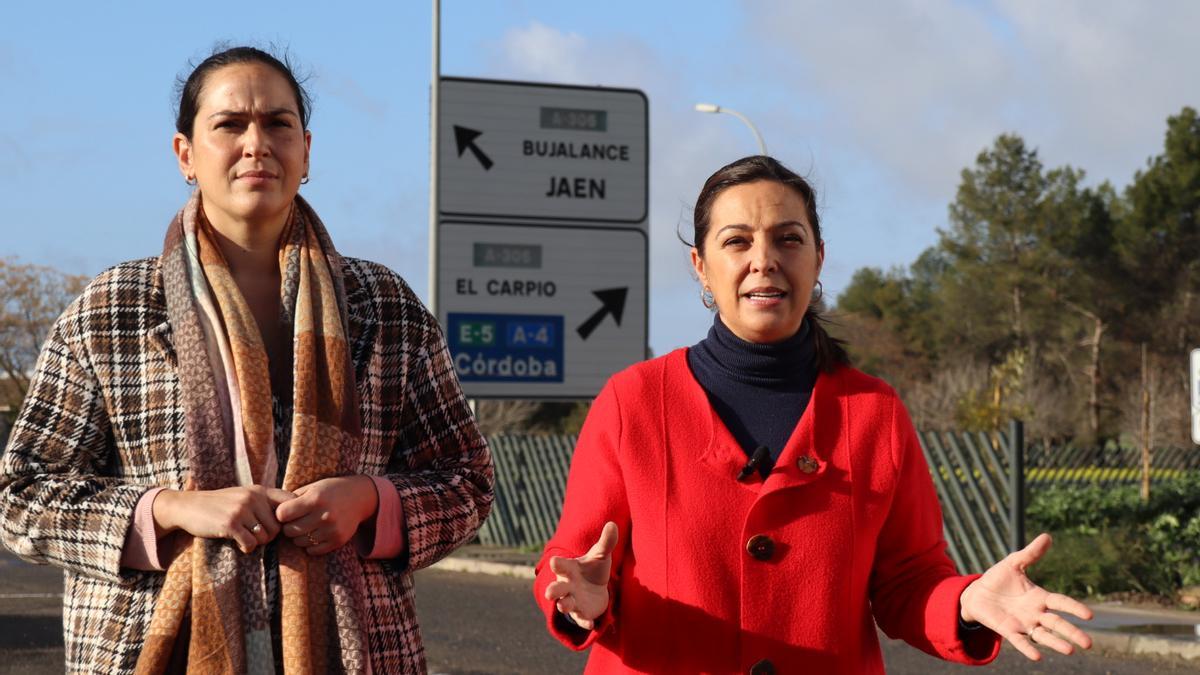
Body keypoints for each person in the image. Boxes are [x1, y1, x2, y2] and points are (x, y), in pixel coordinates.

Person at [0, 46, 492, 674]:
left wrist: (369, 500)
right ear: (185, 154)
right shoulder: (113, 307)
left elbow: (468, 479)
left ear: (306, 152)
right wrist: (171, 510)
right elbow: (21, 494)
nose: (256, 144)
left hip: (358, 651)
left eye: (278, 124)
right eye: (230, 124)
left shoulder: (385, 306)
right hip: (149, 648)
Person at [533, 155, 1094, 673]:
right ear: (701, 266)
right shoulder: (632, 402)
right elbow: (574, 557)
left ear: (818, 257)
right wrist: (582, 596)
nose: (764, 260)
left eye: (788, 239)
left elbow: (909, 582)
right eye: (737, 241)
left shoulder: (875, 414)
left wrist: (966, 601)